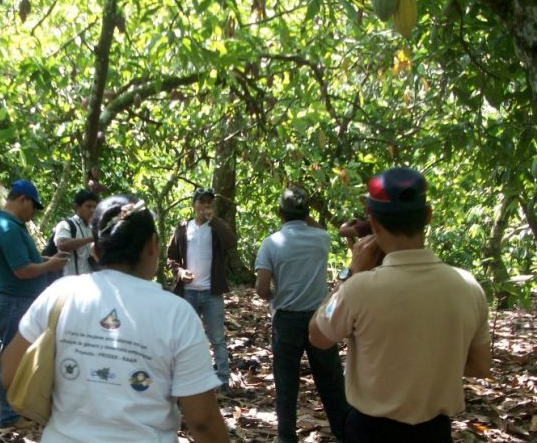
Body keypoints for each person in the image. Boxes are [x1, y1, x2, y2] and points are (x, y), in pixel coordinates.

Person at [1, 195, 230, 443]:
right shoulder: (176, 313)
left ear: (95, 251)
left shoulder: (60, 294)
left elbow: (10, 373)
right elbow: (203, 422)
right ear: (152, 245)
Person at [309, 168, 491, 443]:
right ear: (427, 216)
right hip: (434, 432)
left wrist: (351, 274)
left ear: (374, 222)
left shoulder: (359, 288)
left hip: (370, 431)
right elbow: (479, 365)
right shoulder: (467, 286)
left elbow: (318, 337)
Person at [254, 186, 348, 443]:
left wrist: (277, 296)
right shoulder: (321, 238)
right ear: (307, 212)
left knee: (286, 386)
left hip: (286, 320)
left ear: (278, 212)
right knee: (331, 383)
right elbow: (315, 226)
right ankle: (344, 432)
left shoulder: (271, 244)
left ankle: (287, 438)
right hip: (319, 319)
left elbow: (262, 288)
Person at [0, 179, 68, 428]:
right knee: (13, 355)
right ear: (22, 199)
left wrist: (46, 259)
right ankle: (8, 414)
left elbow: (26, 260)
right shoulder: (8, 228)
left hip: (21, 300)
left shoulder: (12, 225)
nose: (33, 213)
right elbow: (22, 270)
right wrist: (50, 265)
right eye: (32, 206)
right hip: (15, 301)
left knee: (25, 357)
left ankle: (19, 408)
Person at [166, 187, 237, 392]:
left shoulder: (216, 228)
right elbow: (171, 257)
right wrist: (180, 272)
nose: (206, 206)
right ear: (193, 204)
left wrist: (213, 220)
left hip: (211, 292)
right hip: (188, 292)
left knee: (217, 338)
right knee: (186, 338)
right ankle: (187, 378)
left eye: (209, 202)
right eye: (202, 202)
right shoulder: (182, 228)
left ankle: (223, 379)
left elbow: (232, 242)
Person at [54, 189, 98, 276]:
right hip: (70, 284)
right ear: (77, 207)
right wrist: (91, 239)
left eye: (94, 207)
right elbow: (62, 244)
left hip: (89, 283)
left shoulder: (92, 228)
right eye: (88, 206)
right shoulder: (66, 224)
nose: (92, 210)